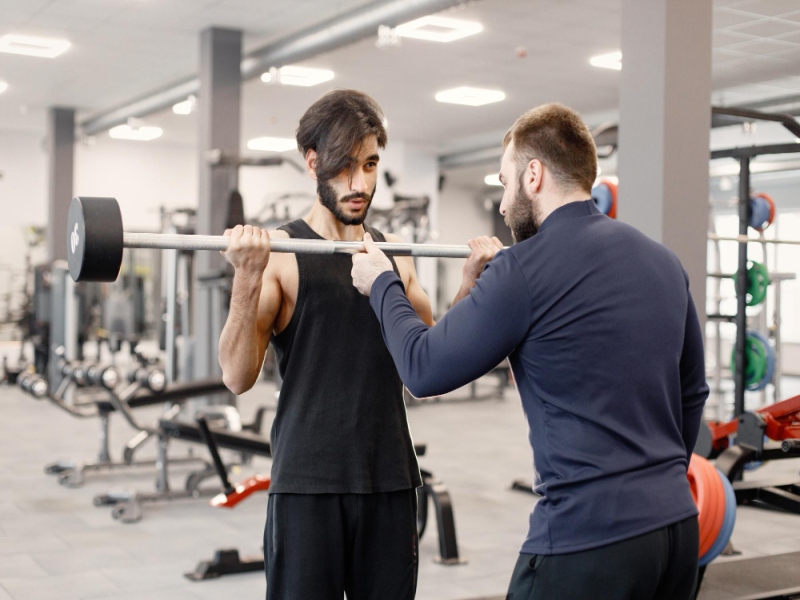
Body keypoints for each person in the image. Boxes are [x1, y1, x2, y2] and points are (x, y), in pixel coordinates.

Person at [351, 103, 709, 600]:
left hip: (588, 540)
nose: (501, 204)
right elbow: (693, 390)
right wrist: (660, 479)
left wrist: (382, 283)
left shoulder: (521, 268)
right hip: (677, 531)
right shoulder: (663, 261)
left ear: (533, 175)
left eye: (504, 182)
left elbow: (423, 369)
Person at [217, 89, 440, 599]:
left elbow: (430, 367)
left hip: (389, 480)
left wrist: (472, 282)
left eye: (369, 165)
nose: (359, 184)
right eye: (344, 167)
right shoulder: (282, 255)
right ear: (313, 162)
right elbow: (235, 376)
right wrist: (247, 277)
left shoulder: (395, 258)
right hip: (307, 486)